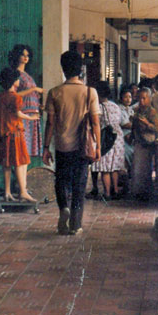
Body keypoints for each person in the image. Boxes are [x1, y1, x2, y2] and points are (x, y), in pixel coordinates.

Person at [43, 51, 101, 236]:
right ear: (80, 69)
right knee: (80, 182)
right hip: (82, 147)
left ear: (63, 69)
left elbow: (50, 123)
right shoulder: (90, 92)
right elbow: (95, 122)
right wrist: (98, 146)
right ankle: (76, 223)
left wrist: (45, 148)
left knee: (61, 180)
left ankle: (63, 209)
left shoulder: (54, 92)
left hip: (62, 145)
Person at [0, 68, 40, 203]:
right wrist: (32, 118)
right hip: (15, 133)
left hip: (2, 133)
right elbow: (17, 113)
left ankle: (7, 192)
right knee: (21, 161)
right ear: (14, 81)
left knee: (7, 163)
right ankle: (23, 192)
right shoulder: (16, 97)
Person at [90, 82, 125, 201]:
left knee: (105, 168)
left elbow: (95, 123)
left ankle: (107, 193)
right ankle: (115, 190)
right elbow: (119, 120)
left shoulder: (98, 107)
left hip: (105, 138)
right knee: (113, 167)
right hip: (117, 137)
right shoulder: (115, 106)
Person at [9, 44, 45, 157]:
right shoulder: (15, 74)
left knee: (28, 150)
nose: (25, 57)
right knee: (21, 149)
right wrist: (33, 89)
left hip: (33, 113)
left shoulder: (28, 75)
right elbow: (12, 95)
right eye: (22, 55)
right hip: (23, 113)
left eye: (27, 55)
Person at [131, 88, 158, 200]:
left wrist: (147, 124)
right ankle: (139, 192)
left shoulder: (152, 112)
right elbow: (134, 125)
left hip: (148, 143)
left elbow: (157, 128)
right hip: (139, 142)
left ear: (149, 99)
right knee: (138, 168)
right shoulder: (137, 110)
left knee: (146, 168)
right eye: (140, 98)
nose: (142, 101)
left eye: (144, 98)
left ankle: (146, 192)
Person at [118, 88, 134, 170]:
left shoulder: (130, 109)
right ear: (121, 98)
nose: (128, 99)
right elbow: (125, 124)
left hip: (130, 134)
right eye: (126, 97)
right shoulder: (119, 109)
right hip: (123, 135)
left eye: (130, 97)